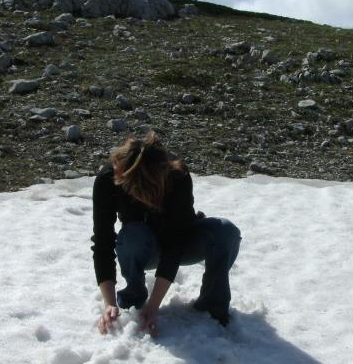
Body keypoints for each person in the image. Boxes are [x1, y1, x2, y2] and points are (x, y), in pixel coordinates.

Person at [91, 132, 241, 335]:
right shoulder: (108, 179)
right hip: (142, 246)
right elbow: (103, 242)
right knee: (133, 235)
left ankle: (212, 308)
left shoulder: (177, 175)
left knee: (225, 232)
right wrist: (108, 303)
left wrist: (154, 307)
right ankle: (132, 302)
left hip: (180, 243)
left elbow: (176, 242)